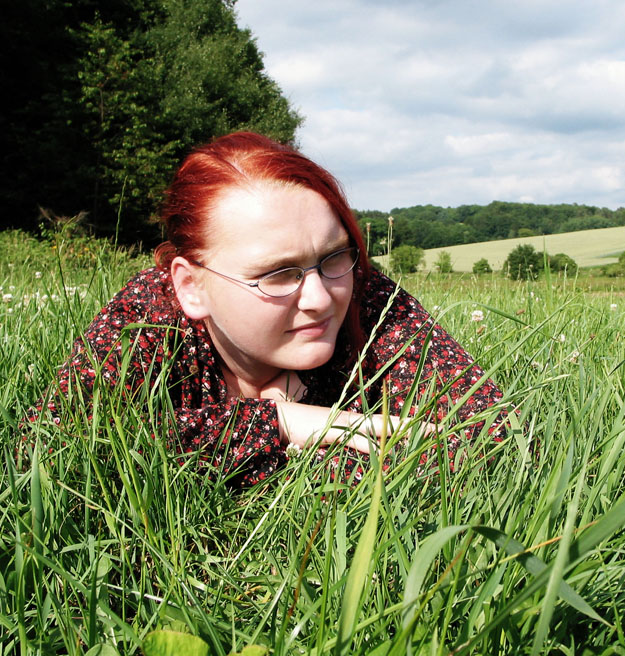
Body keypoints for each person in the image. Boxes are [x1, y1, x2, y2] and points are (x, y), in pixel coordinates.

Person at [31, 131, 507, 486]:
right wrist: (284, 424)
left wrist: (229, 452)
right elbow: (62, 450)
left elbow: (494, 440)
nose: (321, 298)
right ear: (191, 286)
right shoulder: (147, 317)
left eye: (334, 255)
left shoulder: (370, 297)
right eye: (278, 274)